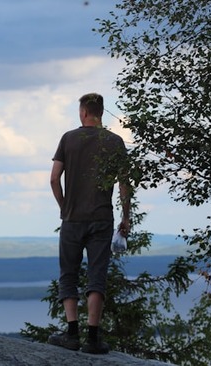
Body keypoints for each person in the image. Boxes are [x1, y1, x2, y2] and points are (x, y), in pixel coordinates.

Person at [48, 93, 131, 354]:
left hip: (72, 219)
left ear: (84, 112)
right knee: (97, 277)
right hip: (101, 218)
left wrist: (64, 208)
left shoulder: (68, 139)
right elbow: (124, 184)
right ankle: (92, 339)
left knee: (68, 274)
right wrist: (126, 217)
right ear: (101, 113)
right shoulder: (114, 141)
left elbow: (53, 179)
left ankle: (72, 333)